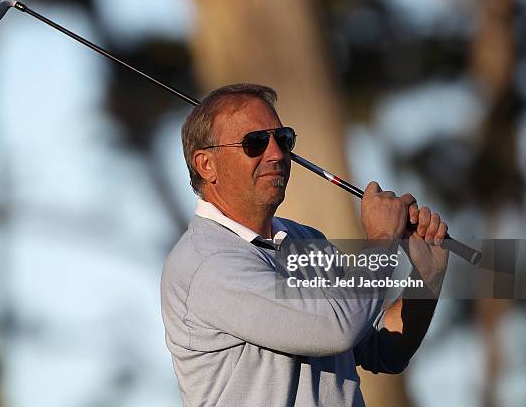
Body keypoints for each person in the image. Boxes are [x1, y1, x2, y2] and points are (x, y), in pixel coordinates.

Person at [161, 83, 449, 407]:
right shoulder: (206, 264)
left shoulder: (308, 242)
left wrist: (427, 275)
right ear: (206, 165)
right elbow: (338, 326)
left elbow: (384, 350)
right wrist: (382, 238)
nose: (276, 154)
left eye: (283, 139)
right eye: (254, 143)